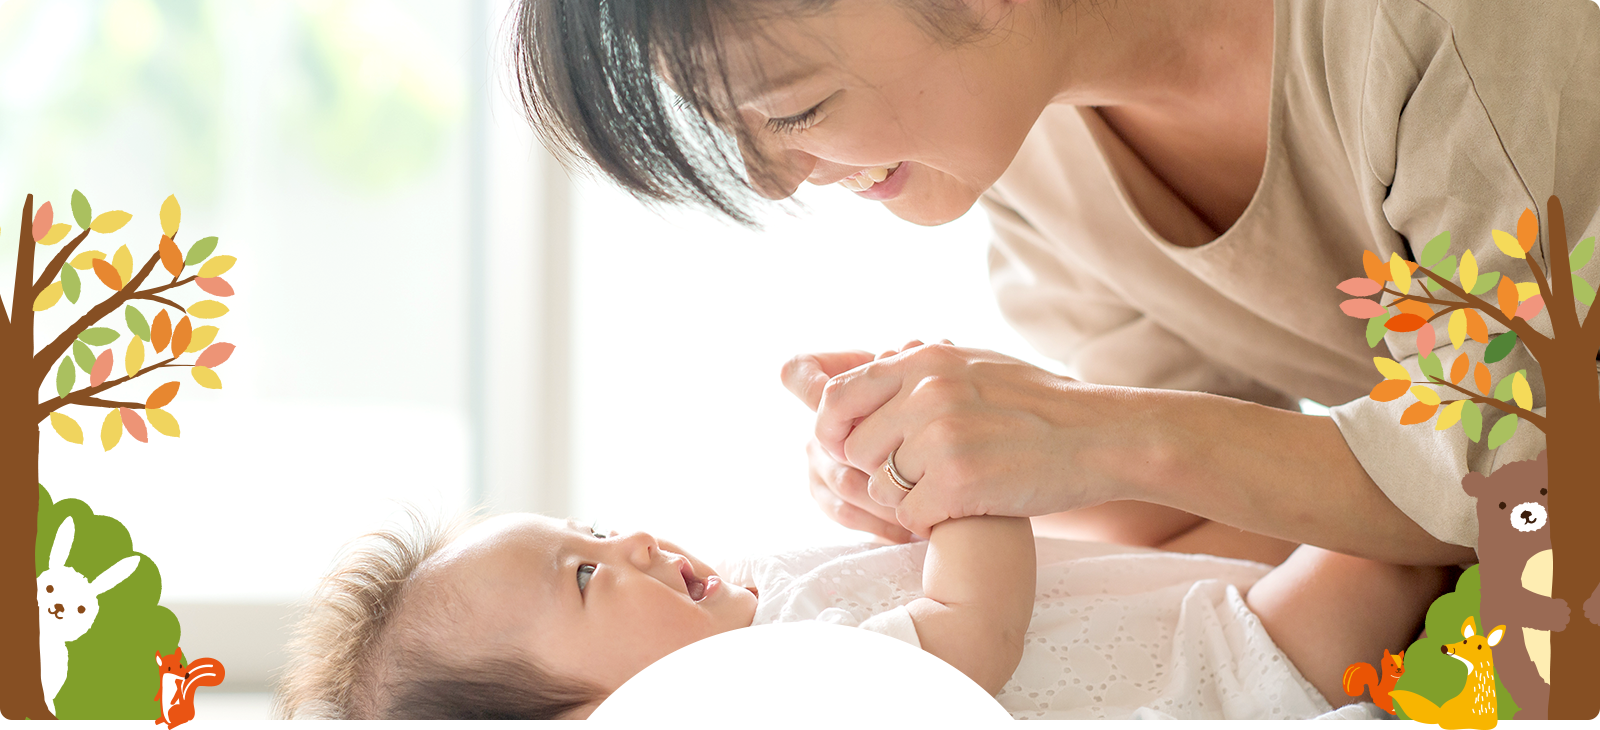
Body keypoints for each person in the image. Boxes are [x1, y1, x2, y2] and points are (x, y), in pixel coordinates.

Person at [511, 0, 1597, 563]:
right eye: (733, 136)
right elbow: (1206, 525)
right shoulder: (1029, 156)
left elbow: (1533, 488)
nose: (777, 175)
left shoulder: (1421, 29)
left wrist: (1091, 434)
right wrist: (974, 478)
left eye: (791, 112)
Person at [271, 509, 1446, 720]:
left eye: (592, 525)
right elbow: (969, 628)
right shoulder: (766, 699)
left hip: (1167, 613)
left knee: (1178, 520)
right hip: (1229, 669)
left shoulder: (749, 617)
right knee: (1386, 545)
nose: (626, 541)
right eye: (583, 577)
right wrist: (963, 485)